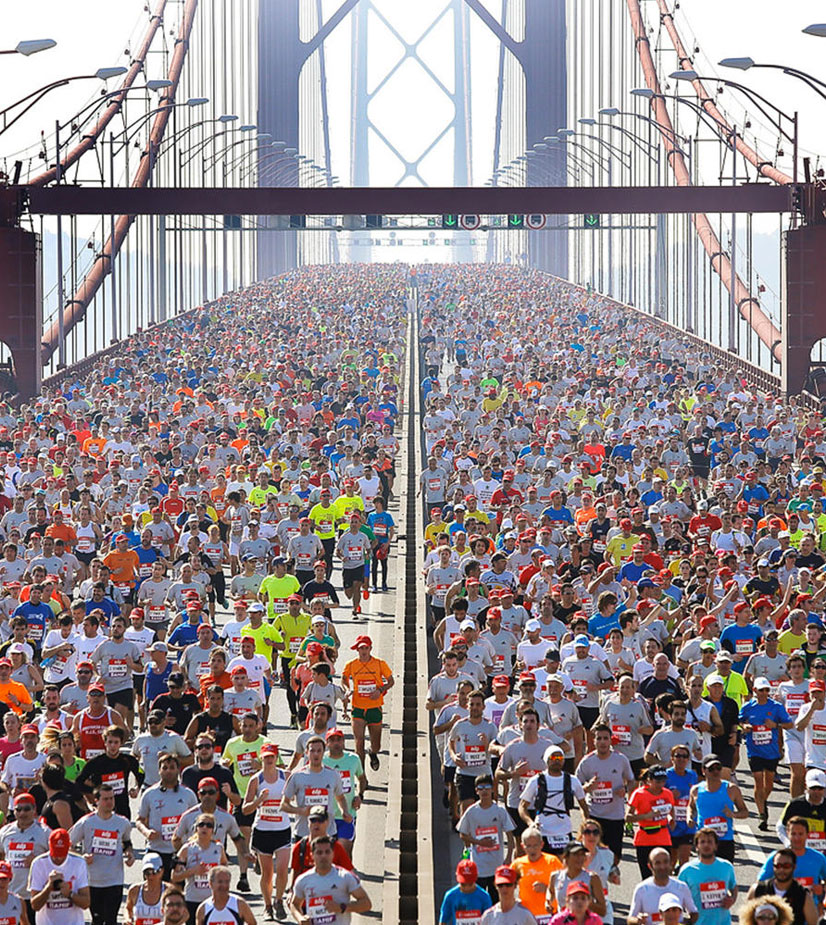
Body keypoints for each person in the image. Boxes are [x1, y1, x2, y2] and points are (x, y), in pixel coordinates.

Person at [68, 783, 133, 925]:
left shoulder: (122, 822)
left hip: (114, 880)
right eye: (105, 799)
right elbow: (68, 845)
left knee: (111, 920)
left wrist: (129, 854)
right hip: (93, 881)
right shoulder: (87, 822)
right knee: (97, 920)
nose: (110, 802)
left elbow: (126, 841)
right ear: (96, 801)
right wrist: (81, 857)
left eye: (112, 798)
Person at [240, 742, 291, 921]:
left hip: (282, 829)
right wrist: (259, 801)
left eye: (272, 757)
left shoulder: (286, 776)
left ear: (276, 758)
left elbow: (300, 795)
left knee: (283, 870)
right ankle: (268, 905)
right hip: (263, 830)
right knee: (267, 873)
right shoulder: (256, 780)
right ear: (261, 759)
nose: (269, 760)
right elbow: (245, 809)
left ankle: (279, 901)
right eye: (266, 757)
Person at [575, 723, 634, 863]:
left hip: (615, 816)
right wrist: (587, 787)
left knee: (615, 858)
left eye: (605, 738)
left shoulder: (620, 759)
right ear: (594, 741)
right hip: (595, 815)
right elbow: (575, 786)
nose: (602, 742)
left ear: (610, 740)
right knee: (592, 856)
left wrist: (625, 789)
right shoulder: (587, 762)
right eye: (599, 738)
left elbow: (631, 780)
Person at [135, 752, 199, 882]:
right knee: (154, 889)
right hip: (156, 850)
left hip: (180, 851)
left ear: (178, 770)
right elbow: (139, 820)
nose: (168, 771)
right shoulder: (150, 794)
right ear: (159, 771)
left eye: (172, 767)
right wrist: (147, 832)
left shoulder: (188, 794)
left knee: (177, 892)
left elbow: (197, 821)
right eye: (164, 768)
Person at [740, 677, 793, 830]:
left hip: (771, 751)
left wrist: (775, 725)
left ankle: (762, 802)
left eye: (766, 690)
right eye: (761, 690)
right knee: (758, 780)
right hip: (754, 750)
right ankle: (762, 814)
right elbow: (740, 721)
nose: (764, 693)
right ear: (754, 690)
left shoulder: (776, 707)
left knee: (768, 783)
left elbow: (790, 724)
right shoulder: (748, 707)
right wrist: (745, 726)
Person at [518, 745, 587, 855]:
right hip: (543, 829)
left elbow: (583, 805)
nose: (557, 761)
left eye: (560, 758)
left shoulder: (572, 780)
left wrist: (586, 823)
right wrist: (530, 823)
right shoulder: (536, 780)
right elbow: (522, 806)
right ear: (547, 760)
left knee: (564, 864)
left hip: (564, 830)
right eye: (553, 758)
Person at [456, 774, 516, 902]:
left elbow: (510, 836)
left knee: (496, 901)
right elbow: (462, 834)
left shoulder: (500, 811)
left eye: (487, 787)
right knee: (480, 902)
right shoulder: (471, 811)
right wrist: (479, 842)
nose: (484, 791)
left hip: (496, 866)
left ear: (493, 789)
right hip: (479, 867)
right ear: (476, 791)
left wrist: (508, 857)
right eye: (481, 788)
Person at [340, 635, 393, 775]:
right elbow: (344, 678)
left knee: (377, 745)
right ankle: (362, 777)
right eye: (361, 648)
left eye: (366, 648)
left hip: (374, 708)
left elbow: (391, 681)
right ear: (357, 649)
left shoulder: (380, 663)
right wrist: (348, 689)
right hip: (357, 709)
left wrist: (380, 690)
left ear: (370, 648)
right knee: (359, 743)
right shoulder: (351, 664)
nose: (363, 651)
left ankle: (372, 752)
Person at [289, 834, 371, 924]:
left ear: (333, 854)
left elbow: (366, 903)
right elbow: (294, 904)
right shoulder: (303, 880)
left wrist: (341, 907)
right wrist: (300, 918)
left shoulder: (345, 877)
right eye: (319, 853)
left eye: (327, 852)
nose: (323, 856)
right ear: (312, 855)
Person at [756, 817, 826, 913]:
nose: (797, 838)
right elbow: (760, 884)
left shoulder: (818, 858)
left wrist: (821, 889)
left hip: (809, 912)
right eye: (793, 834)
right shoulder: (777, 857)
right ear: (787, 834)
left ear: (807, 835)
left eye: (801, 834)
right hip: (781, 912)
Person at [688, 753, 748, 862]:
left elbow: (744, 812)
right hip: (704, 841)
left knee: (723, 876)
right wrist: (690, 817)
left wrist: (733, 814)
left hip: (725, 840)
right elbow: (691, 806)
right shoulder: (696, 790)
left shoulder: (731, 789)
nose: (716, 772)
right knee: (705, 876)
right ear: (703, 771)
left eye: (718, 768)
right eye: (711, 769)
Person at [171, 812, 228, 924]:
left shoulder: (218, 848)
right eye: (201, 824)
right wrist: (193, 871)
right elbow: (174, 877)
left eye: (209, 825)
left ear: (213, 830)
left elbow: (224, 866)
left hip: (213, 901)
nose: (205, 827)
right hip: (192, 900)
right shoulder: (187, 849)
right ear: (196, 828)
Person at [0, 792, 50, 915]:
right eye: (19, 809)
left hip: (34, 894)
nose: (22, 813)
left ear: (34, 810)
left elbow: (57, 859)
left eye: (27, 809)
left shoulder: (44, 831)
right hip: (10, 895)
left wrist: (38, 860)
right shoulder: (5, 832)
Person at [28, 828, 90, 925]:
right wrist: (48, 887)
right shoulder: (39, 863)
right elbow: (35, 905)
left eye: (62, 853)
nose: (59, 858)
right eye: (56, 853)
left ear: (69, 846)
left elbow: (86, 903)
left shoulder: (79, 862)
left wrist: (70, 894)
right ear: (49, 846)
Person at [678, 827, 738, 925]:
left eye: (710, 842)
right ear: (696, 846)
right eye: (702, 842)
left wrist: (732, 900)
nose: (706, 845)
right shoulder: (687, 870)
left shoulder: (726, 866)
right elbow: (678, 896)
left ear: (715, 846)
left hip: (723, 922)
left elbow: (733, 887)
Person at [627, 846, 697, 925]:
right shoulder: (642, 889)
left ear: (671, 863)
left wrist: (684, 922)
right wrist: (638, 921)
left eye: (665, 862)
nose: (662, 867)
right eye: (658, 863)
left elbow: (694, 913)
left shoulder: (681, 887)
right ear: (650, 866)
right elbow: (630, 919)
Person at [748, 848, 818, 925]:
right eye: (778, 866)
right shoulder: (758, 889)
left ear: (794, 867)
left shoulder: (803, 895)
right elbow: (746, 920)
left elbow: (813, 923)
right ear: (773, 867)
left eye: (786, 866)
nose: (781, 869)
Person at [546, 840, 606, 919]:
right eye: (576, 854)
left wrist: (585, 902)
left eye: (582, 854)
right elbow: (550, 892)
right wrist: (548, 903)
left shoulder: (592, 878)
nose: (580, 858)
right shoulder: (556, 876)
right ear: (566, 857)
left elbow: (603, 910)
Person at [439, 859, 493, 925]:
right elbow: (443, 920)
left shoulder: (484, 897)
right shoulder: (450, 896)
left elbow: (489, 921)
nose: (467, 888)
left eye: (470, 884)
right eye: (463, 884)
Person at [125, 853, 164, 925]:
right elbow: (128, 908)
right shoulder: (135, 890)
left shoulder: (169, 891)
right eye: (147, 873)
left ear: (161, 871)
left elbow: (183, 915)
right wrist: (128, 919)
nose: (150, 876)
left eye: (154, 872)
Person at [0, 860, 28, 925]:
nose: (1, 882)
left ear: (10, 879)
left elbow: (25, 923)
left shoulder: (18, 901)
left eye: (4, 879)